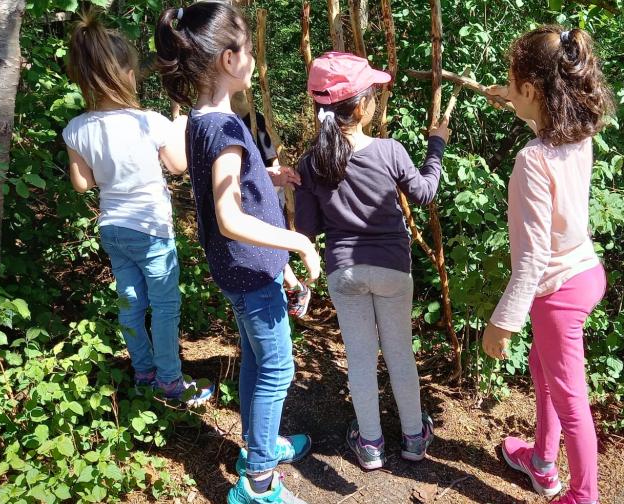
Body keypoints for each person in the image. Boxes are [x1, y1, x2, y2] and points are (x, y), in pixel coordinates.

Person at [154, 3, 319, 503]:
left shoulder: (203, 120)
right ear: (229, 59)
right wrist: (299, 242)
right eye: (248, 50)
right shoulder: (225, 127)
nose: (252, 60)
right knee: (278, 369)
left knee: (255, 359)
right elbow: (229, 217)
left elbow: (221, 183)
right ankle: (259, 483)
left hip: (238, 269)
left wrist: (265, 176)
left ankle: (256, 446)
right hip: (249, 271)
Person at [293, 52, 451, 470]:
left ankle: (371, 444)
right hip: (392, 268)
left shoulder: (311, 162)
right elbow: (424, 192)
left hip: (343, 270)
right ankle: (414, 438)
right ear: (362, 107)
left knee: (361, 358)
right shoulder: (389, 151)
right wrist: (436, 145)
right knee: (399, 352)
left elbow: (308, 229)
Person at [482, 26, 615, 504]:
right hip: (585, 273)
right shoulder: (579, 134)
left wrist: (503, 322)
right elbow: (546, 127)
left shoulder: (531, 161)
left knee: (570, 399)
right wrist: (510, 97)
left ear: (532, 89)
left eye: (511, 82)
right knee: (544, 371)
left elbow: (533, 255)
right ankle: (541, 461)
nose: (507, 88)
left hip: (557, 290)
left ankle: (582, 496)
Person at [61, 11, 213, 406]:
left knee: (130, 303)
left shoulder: (76, 129)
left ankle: (143, 373)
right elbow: (178, 166)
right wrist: (180, 128)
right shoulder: (149, 122)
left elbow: (82, 184)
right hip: (151, 230)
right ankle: (170, 381)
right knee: (164, 307)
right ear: (126, 75)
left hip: (113, 230)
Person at [229, 92, 312, 318]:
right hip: (245, 189)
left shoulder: (253, 120)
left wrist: (274, 187)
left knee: (269, 239)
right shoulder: (227, 124)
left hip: (264, 187)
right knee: (258, 241)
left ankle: (292, 288)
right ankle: (293, 286)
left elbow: (271, 156)